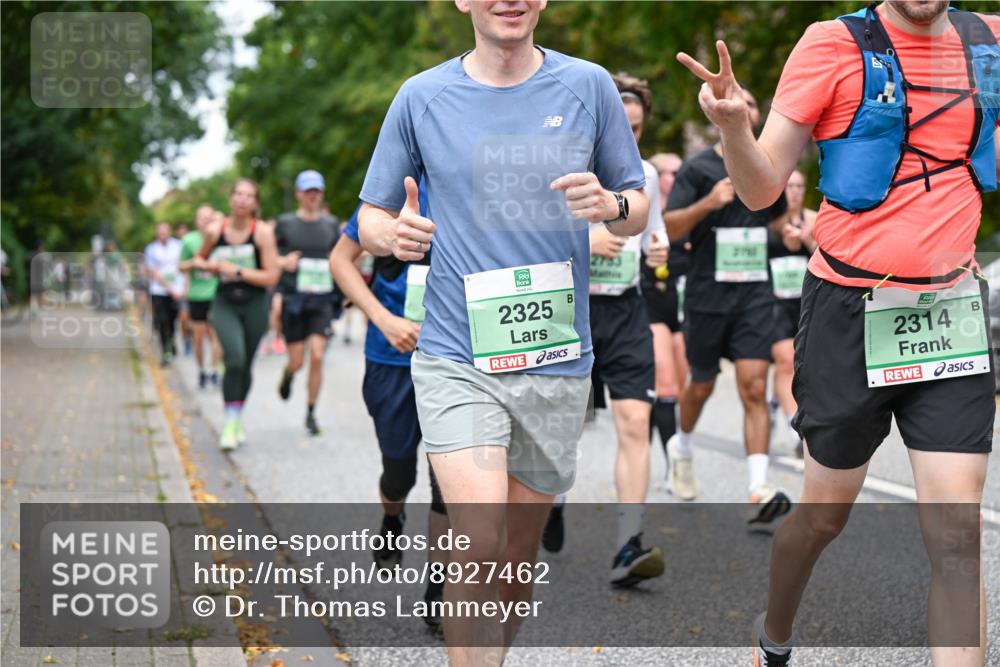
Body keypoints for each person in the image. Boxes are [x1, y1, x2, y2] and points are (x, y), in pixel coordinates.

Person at [678, 1, 998, 665]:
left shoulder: (990, 40)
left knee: (958, 535)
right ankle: (775, 629)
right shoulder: (831, 45)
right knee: (824, 516)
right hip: (848, 309)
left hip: (950, 311)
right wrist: (735, 129)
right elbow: (762, 189)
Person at [356, 0, 649, 660]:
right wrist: (393, 234)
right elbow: (371, 215)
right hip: (457, 356)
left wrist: (611, 204)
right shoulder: (421, 97)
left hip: (556, 359)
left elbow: (636, 205)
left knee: (515, 563)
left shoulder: (589, 86)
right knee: (479, 541)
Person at [546, 71, 668, 587]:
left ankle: (627, 543)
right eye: (623, 125)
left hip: (626, 311)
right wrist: (586, 241)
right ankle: (552, 500)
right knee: (566, 430)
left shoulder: (646, 174)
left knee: (636, 423)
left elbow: (653, 231)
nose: (629, 136)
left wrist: (658, 252)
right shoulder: (565, 166)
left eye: (637, 128)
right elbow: (529, 237)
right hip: (571, 311)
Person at [663, 85, 792, 526]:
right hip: (707, 294)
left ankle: (759, 486)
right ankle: (681, 447)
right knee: (700, 384)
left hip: (754, 294)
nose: (748, 108)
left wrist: (787, 234)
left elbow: (777, 219)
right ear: (720, 113)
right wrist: (709, 203)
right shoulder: (698, 169)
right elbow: (670, 226)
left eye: (753, 104)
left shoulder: (769, 163)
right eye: (742, 101)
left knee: (754, 387)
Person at [330, 199, 450, 627]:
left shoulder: (479, 192)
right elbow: (340, 260)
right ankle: (392, 516)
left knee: (448, 483)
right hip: (392, 359)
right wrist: (383, 320)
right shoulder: (389, 194)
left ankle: (439, 587)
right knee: (398, 475)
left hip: (455, 362)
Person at [196, 179, 280, 449]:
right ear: (231, 198)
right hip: (225, 302)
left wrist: (237, 271)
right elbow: (199, 260)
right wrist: (210, 266)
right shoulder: (215, 231)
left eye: (249, 195)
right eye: (238, 194)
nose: (243, 199)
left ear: (255, 203)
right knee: (234, 359)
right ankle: (230, 423)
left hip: (256, 304)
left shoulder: (262, 233)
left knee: (245, 365)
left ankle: (237, 414)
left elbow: (271, 276)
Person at [275, 170, 341, 435]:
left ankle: (311, 412)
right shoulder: (285, 223)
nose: (313, 195)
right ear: (298, 194)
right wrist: (282, 262)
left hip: (322, 300)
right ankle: (289, 373)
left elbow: (340, 258)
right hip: (294, 300)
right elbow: (268, 257)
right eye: (308, 190)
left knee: (317, 355)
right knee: (297, 361)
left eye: (317, 190)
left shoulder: (331, 224)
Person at [644, 152, 690, 459]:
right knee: (667, 383)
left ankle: (647, 443)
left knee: (684, 385)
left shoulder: (685, 212)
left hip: (682, 304)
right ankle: (675, 465)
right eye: (671, 173)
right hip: (651, 302)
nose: (677, 178)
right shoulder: (645, 211)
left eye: (680, 172)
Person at [768, 170, 816, 457]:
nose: (794, 191)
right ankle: (795, 427)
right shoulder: (766, 222)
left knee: (802, 367)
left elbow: (831, 257)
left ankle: (775, 401)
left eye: (799, 185)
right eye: (789, 186)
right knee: (786, 361)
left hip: (806, 304)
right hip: (774, 304)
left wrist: (808, 241)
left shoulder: (814, 220)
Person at [179, 205, 222, 389]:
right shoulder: (189, 240)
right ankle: (202, 370)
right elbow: (180, 266)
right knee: (198, 337)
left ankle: (214, 371)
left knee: (217, 336)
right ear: (197, 221)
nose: (205, 221)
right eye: (202, 218)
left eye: (208, 217)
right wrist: (195, 263)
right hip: (197, 296)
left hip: (217, 294)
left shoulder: (220, 238)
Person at [144, 223, 184, 366]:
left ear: (169, 232)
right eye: (160, 233)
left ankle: (171, 342)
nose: (163, 236)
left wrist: (180, 289)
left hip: (177, 292)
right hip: (159, 291)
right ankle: (166, 352)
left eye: (165, 232)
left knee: (173, 321)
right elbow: (152, 271)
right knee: (162, 321)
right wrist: (169, 287)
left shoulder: (179, 246)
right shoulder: (151, 249)